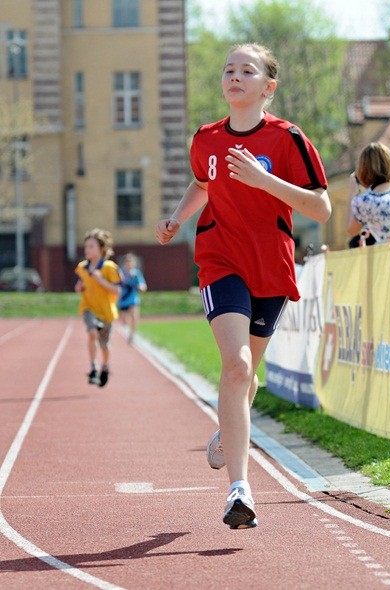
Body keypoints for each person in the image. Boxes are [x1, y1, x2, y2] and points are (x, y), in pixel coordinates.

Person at [155, 43, 331, 529]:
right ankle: (240, 489)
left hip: (270, 266)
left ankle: (225, 431)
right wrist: (176, 218)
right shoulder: (206, 138)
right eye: (229, 69)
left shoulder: (288, 139)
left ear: (267, 88)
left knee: (248, 375)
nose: (235, 76)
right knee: (236, 365)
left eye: (247, 70)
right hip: (220, 259)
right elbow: (202, 183)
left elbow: (321, 208)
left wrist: (262, 179)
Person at [74, 228, 122, 387]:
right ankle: (93, 367)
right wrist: (79, 287)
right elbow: (81, 284)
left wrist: (101, 280)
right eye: (86, 246)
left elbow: (117, 290)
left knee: (105, 346)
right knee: (92, 333)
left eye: (91, 246)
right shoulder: (82, 267)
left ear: (101, 248)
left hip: (106, 312)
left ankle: (105, 366)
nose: (87, 249)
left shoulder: (109, 267)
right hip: (89, 308)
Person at [118, 253, 147, 344]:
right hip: (123, 300)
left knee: (134, 317)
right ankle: (126, 329)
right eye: (128, 263)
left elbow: (143, 285)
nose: (129, 265)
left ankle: (132, 335)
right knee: (124, 321)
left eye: (131, 263)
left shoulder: (136, 274)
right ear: (124, 263)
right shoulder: (120, 273)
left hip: (133, 299)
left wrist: (141, 287)